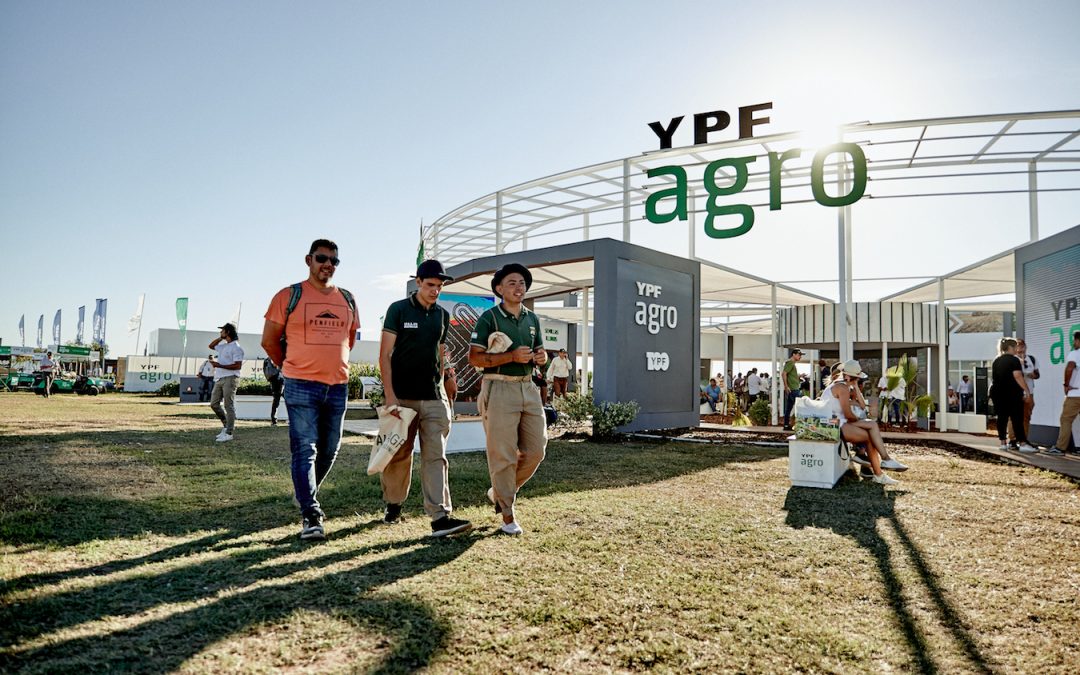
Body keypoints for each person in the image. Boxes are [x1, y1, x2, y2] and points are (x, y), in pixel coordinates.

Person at [261, 239, 359, 541]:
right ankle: (311, 515)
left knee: (330, 448)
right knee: (305, 449)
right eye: (322, 258)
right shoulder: (289, 295)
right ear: (309, 260)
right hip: (300, 384)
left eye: (334, 260)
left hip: (338, 385)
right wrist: (290, 367)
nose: (327, 264)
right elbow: (269, 341)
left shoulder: (348, 298)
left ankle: (305, 492)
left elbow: (350, 339)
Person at [379, 259, 473, 538]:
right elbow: (385, 355)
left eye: (439, 286)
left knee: (436, 456)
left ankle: (440, 516)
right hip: (402, 397)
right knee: (399, 454)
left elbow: (441, 353)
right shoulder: (398, 310)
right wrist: (390, 396)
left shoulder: (442, 316)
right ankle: (393, 505)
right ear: (418, 282)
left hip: (433, 397)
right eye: (430, 285)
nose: (435, 290)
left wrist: (448, 378)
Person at [468, 262, 548, 536]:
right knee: (502, 454)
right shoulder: (489, 318)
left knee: (537, 450)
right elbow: (475, 358)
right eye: (512, 283)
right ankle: (507, 513)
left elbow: (541, 352)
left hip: (528, 388)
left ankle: (500, 491)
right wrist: (510, 357)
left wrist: (541, 358)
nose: (519, 287)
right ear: (499, 289)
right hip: (498, 387)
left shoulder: (532, 318)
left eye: (522, 283)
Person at [820, 360, 902, 485]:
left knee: (872, 425)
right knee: (869, 434)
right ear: (847, 376)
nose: (857, 380)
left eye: (858, 378)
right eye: (856, 378)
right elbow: (848, 415)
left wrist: (856, 386)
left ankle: (883, 462)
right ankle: (880, 469)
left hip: (838, 422)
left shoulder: (843, 385)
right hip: (831, 424)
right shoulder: (842, 388)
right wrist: (861, 421)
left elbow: (862, 406)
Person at [990, 337, 1037, 453]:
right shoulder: (1014, 360)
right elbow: (1018, 376)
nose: (1017, 349)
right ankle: (1022, 443)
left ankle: (1003, 443)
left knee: (1002, 418)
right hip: (1011, 393)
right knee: (1017, 418)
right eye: (1015, 346)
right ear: (1011, 347)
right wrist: (1026, 391)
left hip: (997, 392)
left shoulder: (996, 360)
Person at [1046, 330, 1080, 456]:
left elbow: (1070, 367)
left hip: (1076, 394)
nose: (1073, 343)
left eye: (1074, 340)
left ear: (1077, 340)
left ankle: (1060, 448)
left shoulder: (1075, 353)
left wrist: (1066, 384)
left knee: (1066, 419)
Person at [209, 323, 244, 442]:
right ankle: (226, 425)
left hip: (231, 378)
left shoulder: (236, 347)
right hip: (219, 378)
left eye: (222, 331)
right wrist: (221, 338)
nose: (220, 332)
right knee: (214, 404)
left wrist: (219, 365)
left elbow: (237, 366)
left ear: (228, 332)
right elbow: (211, 346)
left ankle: (229, 432)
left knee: (228, 405)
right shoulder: (224, 345)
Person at [1007, 338, 1040, 447]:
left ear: (1025, 347)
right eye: (1018, 345)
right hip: (1015, 392)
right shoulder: (1012, 359)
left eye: (1022, 345)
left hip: (1029, 392)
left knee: (1026, 416)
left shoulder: (1032, 359)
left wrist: (1033, 375)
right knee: (1013, 417)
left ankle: (1024, 439)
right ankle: (1012, 440)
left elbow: (1037, 374)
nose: (1020, 348)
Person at [781, 348, 803, 430]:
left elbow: (787, 375)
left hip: (793, 389)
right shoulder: (790, 363)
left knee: (789, 408)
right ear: (793, 354)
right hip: (793, 390)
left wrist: (799, 377)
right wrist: (786, 386)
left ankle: (786, 425)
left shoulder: (791, 364)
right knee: (801, 407)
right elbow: (783, 374)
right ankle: (800, 426)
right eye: (799, 355)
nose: (800, 356)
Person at [263, 356, 284, 425]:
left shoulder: (267, 359)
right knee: (279, 399)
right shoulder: (273, 357)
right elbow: (275, 365)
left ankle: (274, 419)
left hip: (274, 380)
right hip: (279, 380)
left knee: (276, 400)